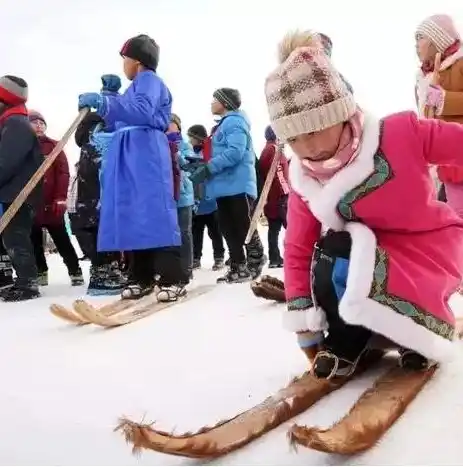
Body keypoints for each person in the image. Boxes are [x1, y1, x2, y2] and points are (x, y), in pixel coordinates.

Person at [264, 30, 463, 379]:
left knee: (351, 253)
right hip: (357, 264)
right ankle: (347, 339)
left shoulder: (400, 134)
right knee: (330, 253)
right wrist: (304, 324)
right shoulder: (306, 181)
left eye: (313, 131)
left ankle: (419, 336)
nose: (307, 148)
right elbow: (296, 248)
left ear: (341, 114)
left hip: (424, 250)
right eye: (293, 138)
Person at [78, 34, 181, 301]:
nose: (123, 65)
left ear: (137, 61)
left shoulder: (149, 81)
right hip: (130, 151)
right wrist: (108, 104)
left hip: (146, 152)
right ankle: (142, 275)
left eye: (125, 59)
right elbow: (125, 114)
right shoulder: (135, 86)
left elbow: (142, 112)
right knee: (134, 214)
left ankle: (172, 275)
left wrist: (106, 103)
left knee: (153, 211)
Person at [190, 88, 265, 283]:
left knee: (241, 225)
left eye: (214, 99)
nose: (211, 103)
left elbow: (235, 152)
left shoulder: (234, 122)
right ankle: (237, 265)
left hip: (237, 184)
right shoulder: (223, 125)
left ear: (224, 103)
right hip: (224, 185)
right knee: (228, 227)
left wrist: (209, 168)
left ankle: (255, 258)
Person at [68, 107, 125, 296]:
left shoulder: (89, 147)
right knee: (100, 241)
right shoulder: (94, 146)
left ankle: (107, 272)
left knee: (101, 240)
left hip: (87, 206)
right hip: (92, 206)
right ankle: (102, 277)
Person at [28, 110, 84, 287]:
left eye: (41, 122)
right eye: (34, 122)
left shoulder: (54, 146)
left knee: (62, 240)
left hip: (52, 204)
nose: (38, 125)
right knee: (34, 242)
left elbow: (63, 173)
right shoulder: (23, 147)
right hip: (32, 205)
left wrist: (60, 198)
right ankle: (41, 272)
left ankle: (75, 271)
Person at [0, 76, 43, 302]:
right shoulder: (11, 122)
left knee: (16, 237)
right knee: (11, 237)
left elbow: (6, 161)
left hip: (18, 192)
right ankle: (22, 280)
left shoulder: (16, 124)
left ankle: (28, 283)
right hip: (12, 190)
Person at [415, 15, 463, 216]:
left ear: (438, 39)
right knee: (457, 216)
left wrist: (444, 99)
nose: (416, 45)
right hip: (448, 164)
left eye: (420, 38)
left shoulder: (460, 65)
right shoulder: (424, 79)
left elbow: (441, 104)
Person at [187, 124, 225, 270]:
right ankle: (196, 257)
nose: (190, 140)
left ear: (198, 138)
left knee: (215, 231)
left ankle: (219, 256)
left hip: (211, 200)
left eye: (191, 137)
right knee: (196, 232)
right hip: (196, 201)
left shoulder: (209, 153)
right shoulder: (189, 154)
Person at [166, 113, 194, 287]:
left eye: (171, 123)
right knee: (169, 235)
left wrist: (175, 151)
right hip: (166, 197)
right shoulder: (159, 143)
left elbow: (188, 166)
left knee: (184, 233)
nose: (168, 126)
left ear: (178, 126)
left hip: (183, 195)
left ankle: (186, 268)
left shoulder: (184, 145)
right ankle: (171, 269)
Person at [259, 125, 289, 268]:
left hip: (272, 197)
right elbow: (277, 172)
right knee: (292, 227)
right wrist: (285, 192)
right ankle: (295, 255)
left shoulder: (267, 149)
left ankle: (275, 258)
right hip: (279, 197)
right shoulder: (274, 150)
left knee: (274, 229)